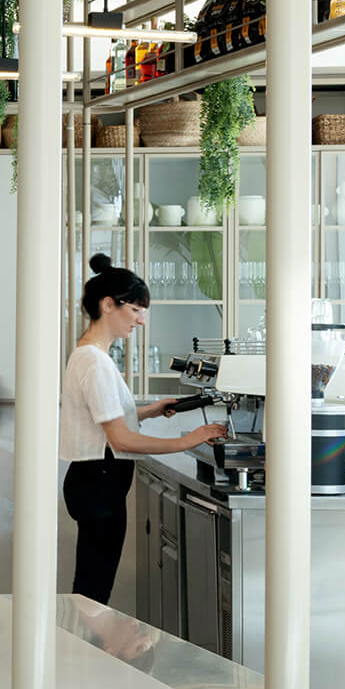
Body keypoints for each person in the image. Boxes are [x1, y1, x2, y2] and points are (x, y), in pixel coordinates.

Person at [61, 254, 227, 603]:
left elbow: (104, 418)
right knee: (93, 590)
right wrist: (188, 440)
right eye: (136, 309)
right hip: (99, 484)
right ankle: (83, 638)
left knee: (91, 584)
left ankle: (84, 636)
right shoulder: (94, 362)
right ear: (108, 304)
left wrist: (149, 411)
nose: (141, 320)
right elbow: (121, 439)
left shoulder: (90, 355)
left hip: (93, 481)